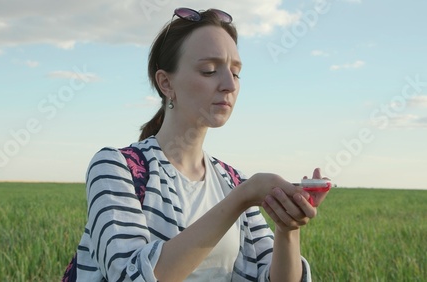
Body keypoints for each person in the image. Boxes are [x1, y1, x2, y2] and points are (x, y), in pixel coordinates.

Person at [74, 7, 329, 282]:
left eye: (236, 72)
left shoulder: (233, 181)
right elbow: (130, 276)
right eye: (209, 70)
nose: (229, 84)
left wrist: (287, 227)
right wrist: (241, 199)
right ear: (166, 83)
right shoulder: (116, 168)